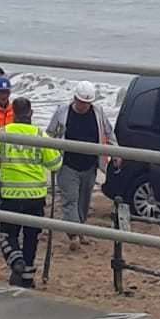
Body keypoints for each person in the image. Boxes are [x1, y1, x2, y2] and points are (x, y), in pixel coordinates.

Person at [0, 96, 62, 287]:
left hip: (10, 195)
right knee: (31, 238)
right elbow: (55, 164)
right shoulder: (40, 136)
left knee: (8, 234)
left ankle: (16, 261)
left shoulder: (3, 133)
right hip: (36, 196)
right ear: (31, 113)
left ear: (13, 113)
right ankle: (26, 278)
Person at [46, 81, 118, 247]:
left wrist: (116, 152)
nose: (84, 106)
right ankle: (74, 235)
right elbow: (50, 133)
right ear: (74, 99)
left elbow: (108, 132)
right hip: (67, 164)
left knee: (83, 201)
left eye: (87, 103)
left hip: (90, 165)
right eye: (81, 102)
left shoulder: (98, 113)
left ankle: (80, 228)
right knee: (70, 200)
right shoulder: (62, 112)